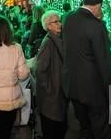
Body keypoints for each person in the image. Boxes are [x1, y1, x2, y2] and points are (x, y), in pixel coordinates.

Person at [62, 0, 111, 139]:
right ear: (98, 5)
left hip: (73, 86)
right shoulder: (96, 25)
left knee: (85, 128)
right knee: (101, 129)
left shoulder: (68, 19)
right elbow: (104, 61)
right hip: (93, 89)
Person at [35, 10, 68, 139]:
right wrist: (51, 89)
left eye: (60, 21)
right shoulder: (48, 42)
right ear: (48, 25)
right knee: (53, 129)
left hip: (58, 94)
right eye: (56, 22)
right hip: (52, 97)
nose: (60, 24)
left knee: (60, 127)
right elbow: (40, 70)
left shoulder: (57, 39)